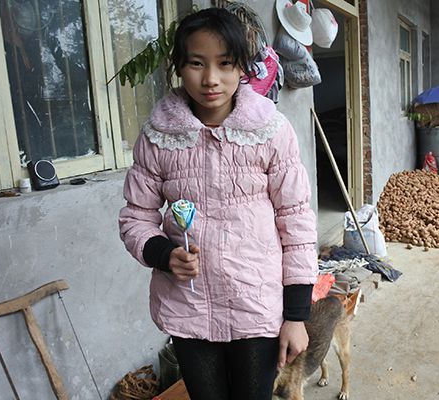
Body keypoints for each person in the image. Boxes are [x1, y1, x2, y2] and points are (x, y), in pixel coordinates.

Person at [118, 8, 317, 400]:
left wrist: (296, 315)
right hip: (189, 307)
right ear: (178, 66)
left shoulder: (271, 131)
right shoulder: (159, 136)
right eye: (196, 63)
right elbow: (136, 217)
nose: (210, 78)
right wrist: (164, 254)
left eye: (225, 64)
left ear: (242, 67)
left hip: (257, 305)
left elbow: (296, 221)